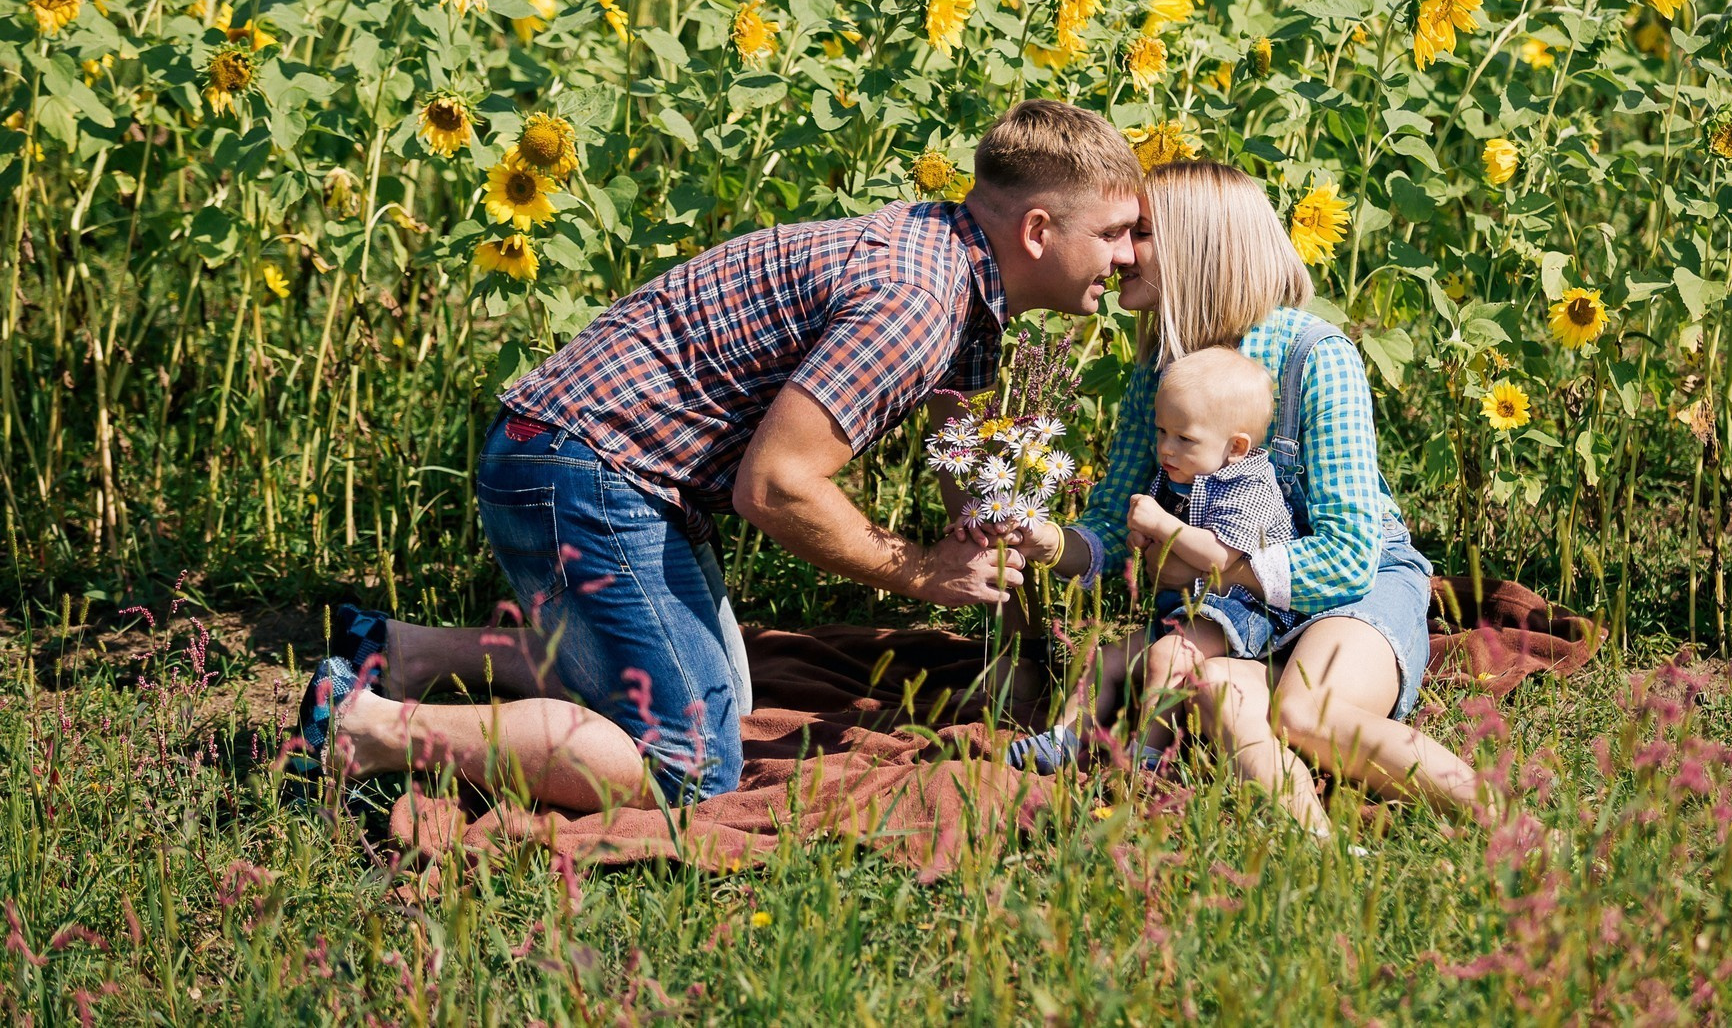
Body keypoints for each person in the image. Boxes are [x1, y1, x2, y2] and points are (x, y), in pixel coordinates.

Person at [297, 99, 1143, 811]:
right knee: (690, 763)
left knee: (724, 700)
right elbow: (776, 486)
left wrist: (1007, 571)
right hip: (584, 471)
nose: (1130, 256)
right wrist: (921, 571)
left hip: (597, 465)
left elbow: (960, 445)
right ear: (1037, 230)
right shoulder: (917, 302)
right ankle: (363, 730)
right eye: (1113, 233)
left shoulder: (955, 264)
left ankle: (399, 649)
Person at [1010, 160, 1481, 824]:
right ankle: (1323, 861)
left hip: (1351, 593)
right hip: (1235, 614)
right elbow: (1114, 522)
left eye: (1139, 232)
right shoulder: (1161, 368)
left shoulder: (1314, 357)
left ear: (1196, 245)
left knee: (1305, 711)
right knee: (1221, 697)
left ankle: (1507, 821)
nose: (1118, 252)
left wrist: (1209, 559)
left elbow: (1349, 556)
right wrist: (1046, 540)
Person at [1007, 347, 1314, 793]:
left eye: (1183, 438)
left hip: (1240, 618)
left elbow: (1221, 560)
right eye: (1161, 432)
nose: (1166, 448)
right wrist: (1141, 540)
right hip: (1183, 614)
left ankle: (1147, 756)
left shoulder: (1252, 486)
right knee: (1101, 655)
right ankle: (1069, 736)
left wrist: (1162, 525)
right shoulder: (1181, 474)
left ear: (1237, 446)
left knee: (1165, 658)